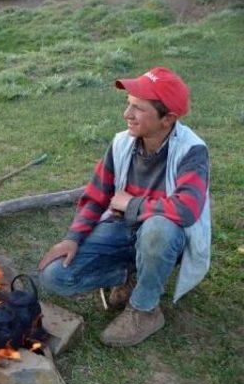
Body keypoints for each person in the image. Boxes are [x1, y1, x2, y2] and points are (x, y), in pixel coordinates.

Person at [38, 67, 210, 347]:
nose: (127, 114)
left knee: (158, 229)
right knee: (55, 275)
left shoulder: (191, 151)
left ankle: (145, 310)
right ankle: (131, 276)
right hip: (121, 230)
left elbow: (186, 210)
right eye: (128, 104)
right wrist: (72, 238)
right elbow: (96, 197)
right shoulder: (122, 143)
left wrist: (131, 203)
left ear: (168, 119)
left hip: (164, 238)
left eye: (138, 109)